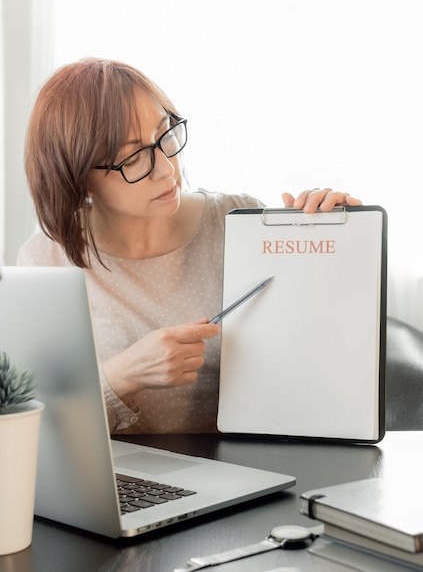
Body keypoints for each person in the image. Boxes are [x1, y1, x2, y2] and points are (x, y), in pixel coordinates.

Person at [17, 58, 362, 434]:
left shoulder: (237, 220)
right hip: (123, 481)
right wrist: (123, 375)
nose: (167, 169)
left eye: (166, 135)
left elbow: (316, 341)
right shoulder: (46, 261)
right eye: (133, 158)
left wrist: (334, 237)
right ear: (80, 178)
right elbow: (37, 426)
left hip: (245, 469)